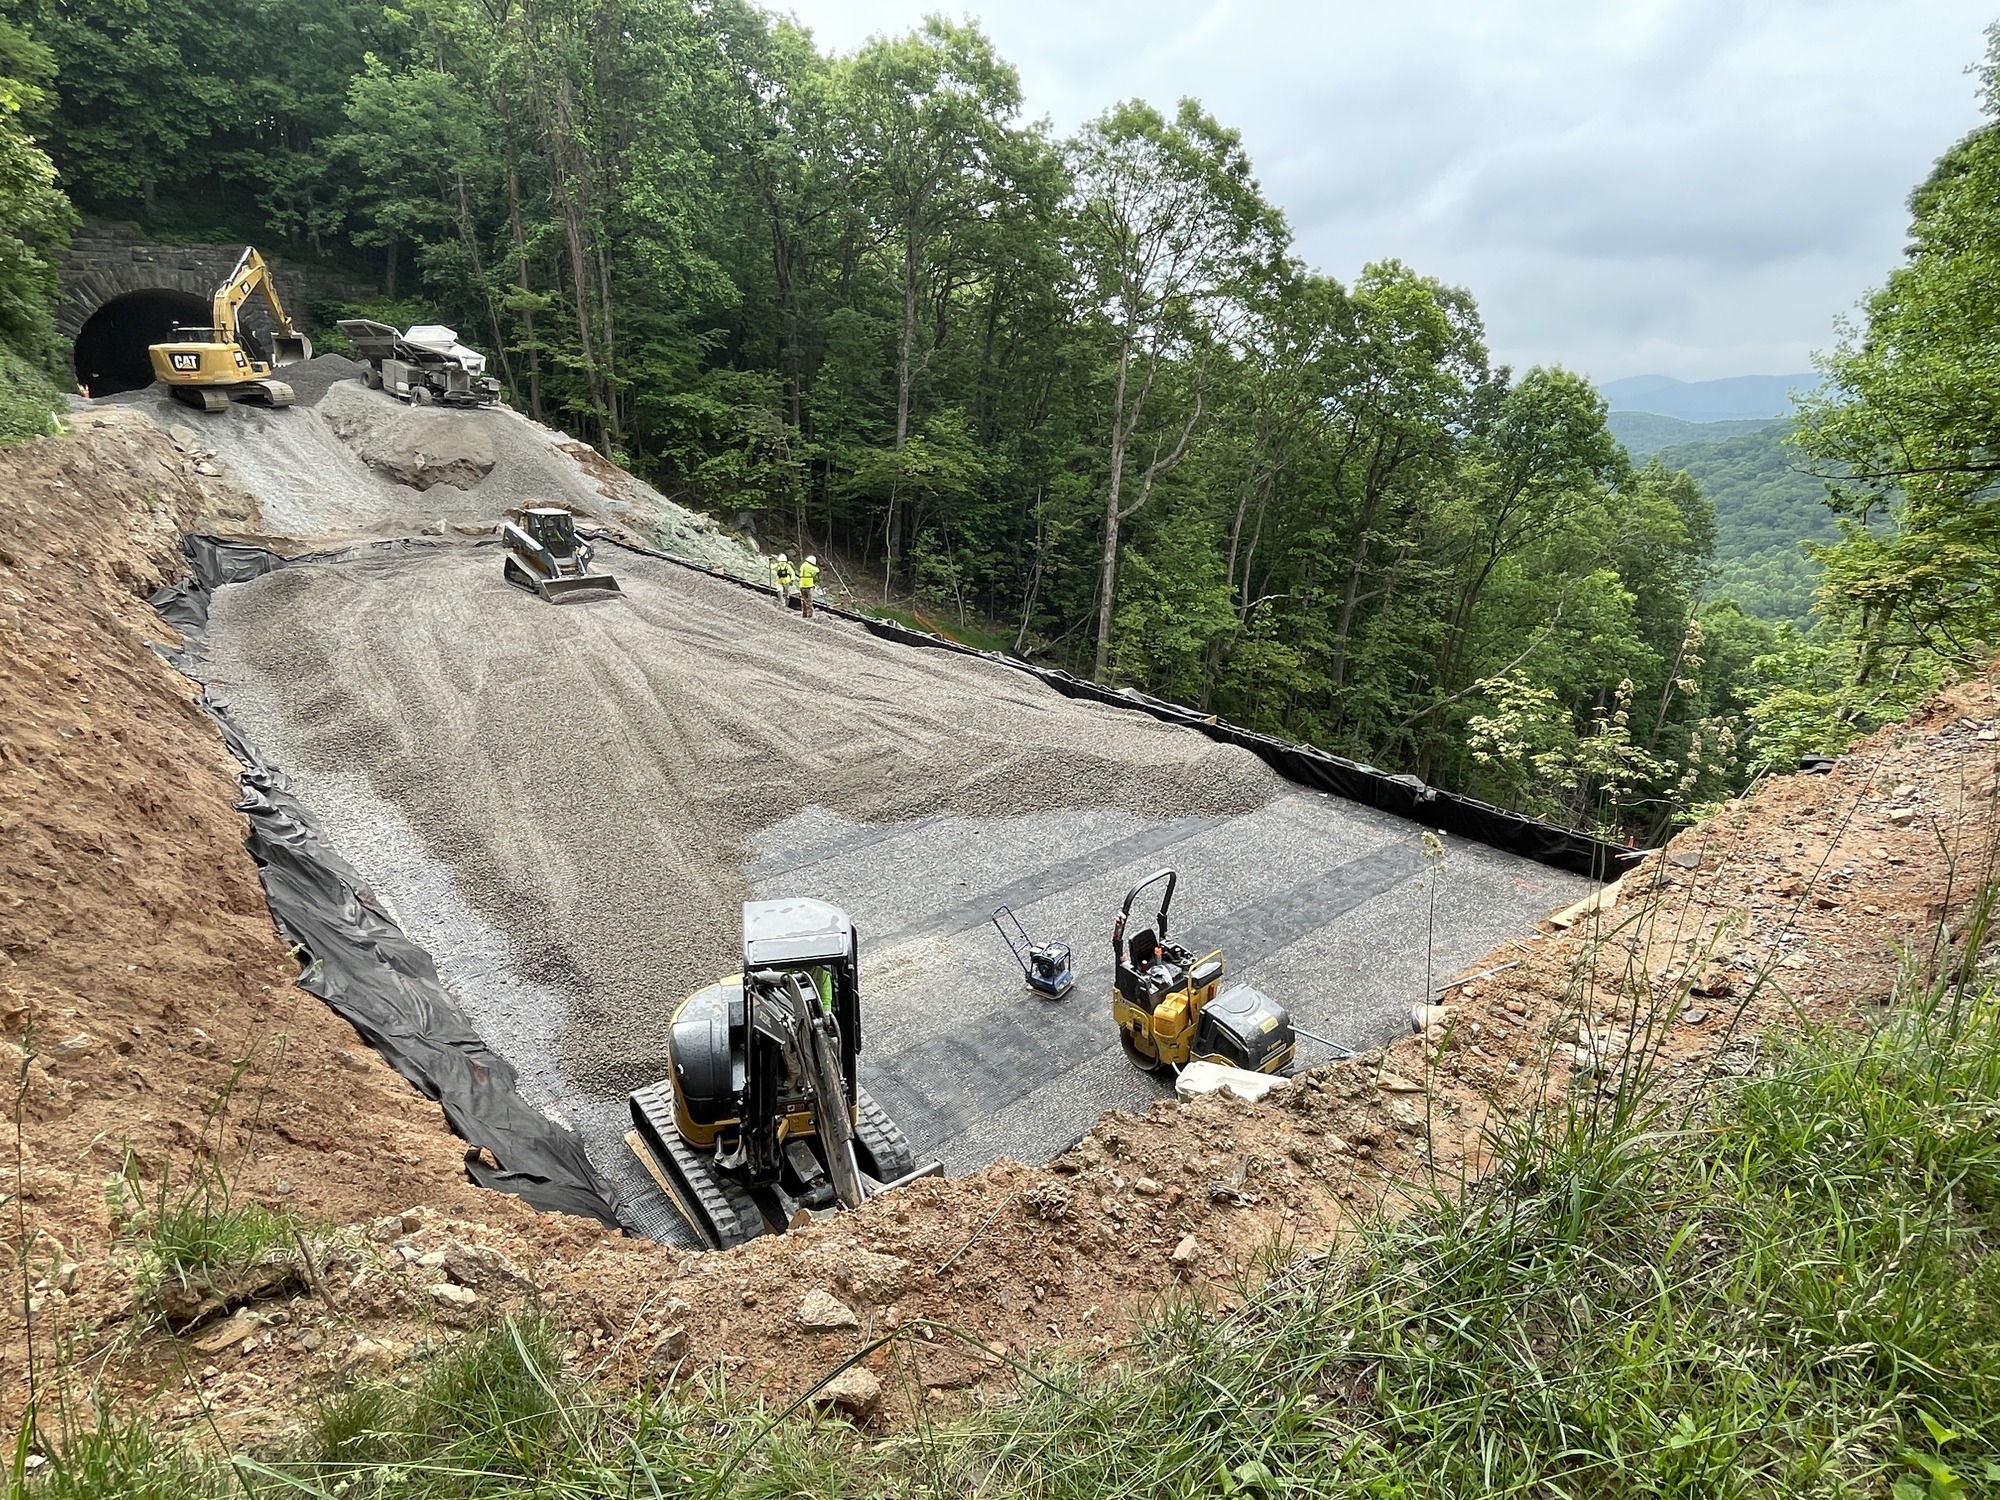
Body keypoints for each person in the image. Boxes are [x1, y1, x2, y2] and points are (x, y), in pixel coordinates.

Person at [799, 554, 820, 619]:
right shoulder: (812, 568)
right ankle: (810, 615)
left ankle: (804, 614)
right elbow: (817, 572)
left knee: (803, 600)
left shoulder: (803, 565)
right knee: (809, 601)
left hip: (801, 585)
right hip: (808, 586)